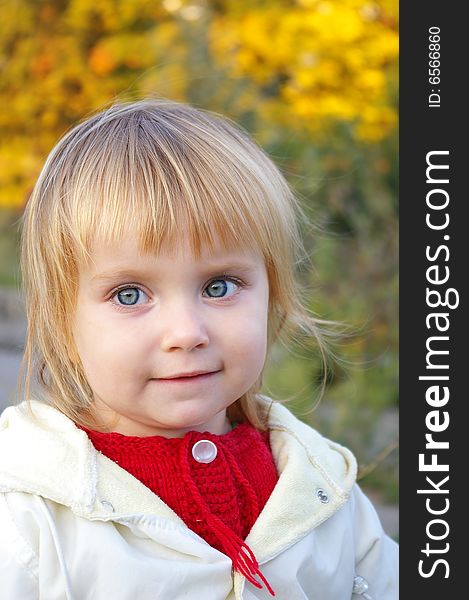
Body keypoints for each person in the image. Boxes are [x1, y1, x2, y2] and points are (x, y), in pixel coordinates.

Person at [0, 99, 398, 599]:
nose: (186, 333)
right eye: (130, 295)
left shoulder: (323, 486)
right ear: (63, 319)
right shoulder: (25, 515)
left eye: (219, 286)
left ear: (273, 293)